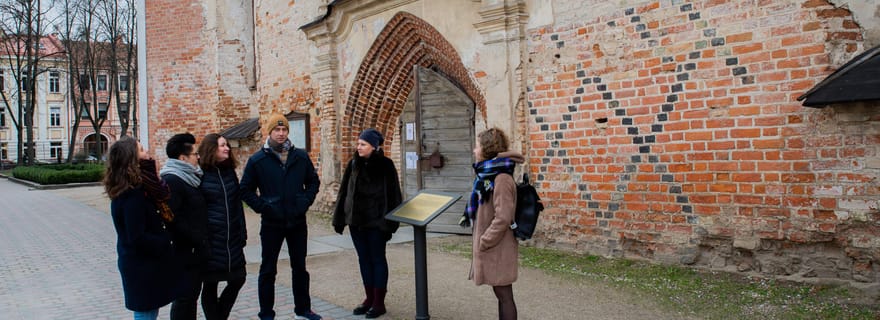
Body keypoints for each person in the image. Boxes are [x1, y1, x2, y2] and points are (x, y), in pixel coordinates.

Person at [240, 113, 322, 320]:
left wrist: (304, 202)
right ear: (270, 132)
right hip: (272, 223)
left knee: (300, 268)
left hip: (296, 221)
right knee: (268, 269)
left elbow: (313, 182)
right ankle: (266, 312)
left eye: (284, 129)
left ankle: (303, 309)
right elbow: (245, 190)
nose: (281, 133)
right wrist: (264, 207)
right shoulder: (258, 160)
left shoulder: (300, 157)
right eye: (277, 130)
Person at [105, 136, 187, 320]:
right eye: (141, 150)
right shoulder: (131, 196)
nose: (147, 152)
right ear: (131, 160)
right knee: (146, 313)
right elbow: (137, 237)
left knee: (149, 310)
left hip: (146, 263)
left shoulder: (139, 188)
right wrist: (167, 240)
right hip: (141, 266)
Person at [332, 128, 402, 318]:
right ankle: (369, 298)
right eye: (358, 143)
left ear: (374, 146)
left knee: (377, 259)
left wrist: (389, 224)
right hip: (356, 222)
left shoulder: (386, 165)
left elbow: (394, 195)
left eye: (363, 144)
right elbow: (344, 190)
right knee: (363, 259)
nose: (359, 147)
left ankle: (379, 302)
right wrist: (340, 218)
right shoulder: (354, 163)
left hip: (377, 223)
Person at [464, 128, 522, 320]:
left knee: (505, 295)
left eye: (478, 146)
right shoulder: (487, 176)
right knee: (501, 294)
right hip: (495, 246)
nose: (474, 150)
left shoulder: (501, 178)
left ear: (487, 148)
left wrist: (485, 240)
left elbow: (503, 216)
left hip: (498, 246)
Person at [197, 133, 247, 320]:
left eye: (227, 145)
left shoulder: (229, 172)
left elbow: (237, 205)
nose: (227, 148)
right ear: (211, 149)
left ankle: (219, 316)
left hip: (232, 236)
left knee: (238, 278)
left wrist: (242, 231)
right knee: (210, 284)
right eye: (222, 145)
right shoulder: (200, 173)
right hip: (212, 239)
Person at [160, 133, 209, 320]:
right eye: (194, 154)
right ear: (183, 158)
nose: (198, 157)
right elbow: (173, 218)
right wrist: (196, 238)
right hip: (184, 251)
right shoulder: (173, 180)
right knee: (184, 298)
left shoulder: (190, 178)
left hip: (194, 250)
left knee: (190, 297)